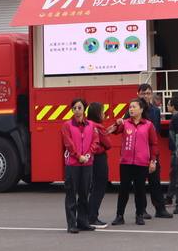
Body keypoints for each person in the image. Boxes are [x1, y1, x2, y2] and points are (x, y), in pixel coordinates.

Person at [107, 98, 158, 226]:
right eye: (130, 107)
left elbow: (154, 144)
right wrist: (116, 123)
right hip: (126, 162)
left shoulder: (148, 125)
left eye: (134, 107)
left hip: (142, 163)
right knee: (123, 189)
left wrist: (153, 161)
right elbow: (111, 131)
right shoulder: (124, 123)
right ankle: (119, 216)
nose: (131, 109)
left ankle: (139, 215)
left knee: (140, 190)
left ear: (141, 109)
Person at [60, 98, 99, 233]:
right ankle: (71, 224)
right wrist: (78, 156)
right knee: (71, 194)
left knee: (84, 193)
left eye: (80, 108)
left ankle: (83, 222)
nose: (77, 110)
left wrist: (88, 154)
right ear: (72, 110)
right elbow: (68, 143)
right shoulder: (67, 125)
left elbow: (95, 141)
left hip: (87, 164)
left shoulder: (91, 125)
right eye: (75, 108)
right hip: (73, 164)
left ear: (84, 109)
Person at [137, 83, 173, 219]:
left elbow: (156, 132)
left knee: (155, 180)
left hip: (151, 150)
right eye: (143, 93)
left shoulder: (155, 111)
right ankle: (142, 210)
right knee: (140, 182)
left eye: (148, 93)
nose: (146, 96)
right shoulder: (133, 109)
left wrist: (154, 152)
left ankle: (160, 209)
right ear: (138, 94)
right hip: (138, 152)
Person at [87, 102, 112, 229]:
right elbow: (108, 144)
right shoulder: (99, 127)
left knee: (92, 188)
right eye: (102, 112)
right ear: (97, 113)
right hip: (99, 158)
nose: (103, 114)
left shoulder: (87, 125)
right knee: (99, 188)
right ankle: (92, 217)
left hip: (90, 158)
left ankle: (88, 216)